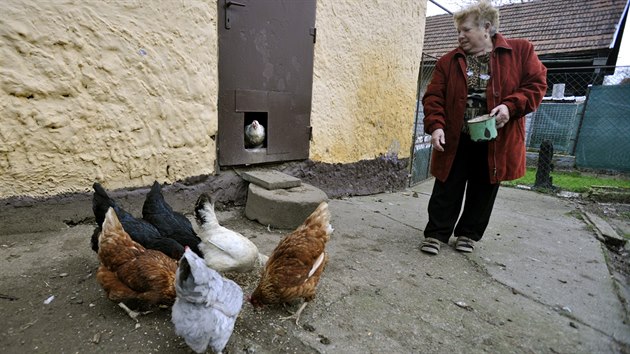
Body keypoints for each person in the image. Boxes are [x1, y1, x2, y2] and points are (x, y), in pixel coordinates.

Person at [420, 0, 547, 255]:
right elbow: (433, 97)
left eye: (465, 30)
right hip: (457, 137)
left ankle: (468, 234)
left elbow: (536, 85)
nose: (460, 36)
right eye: (459, 31)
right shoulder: (449, 61)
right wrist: (436, 126)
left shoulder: (520, 51)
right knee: (448, 184)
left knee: (484, 186)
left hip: (496, 137)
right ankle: (436, 234)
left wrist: (510, 107)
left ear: (486, 27)